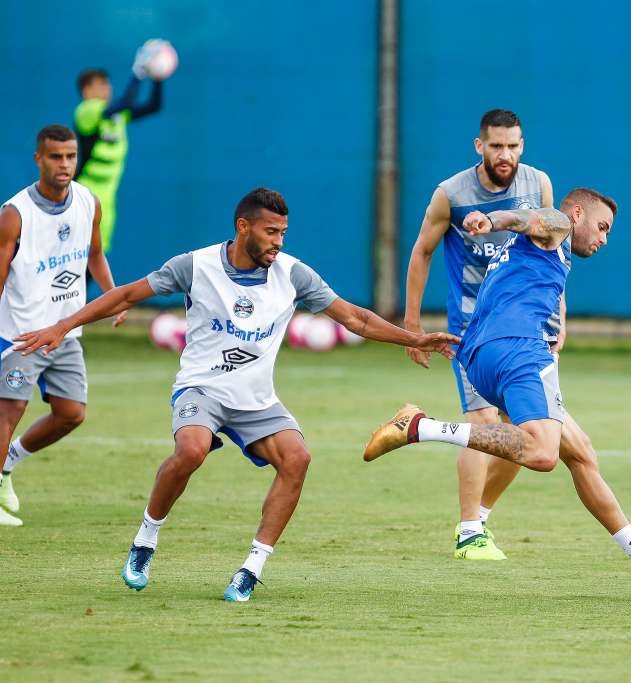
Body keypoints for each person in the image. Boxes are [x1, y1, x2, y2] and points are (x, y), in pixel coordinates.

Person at [15, 187, 458, 601]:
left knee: (298, 459)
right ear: (243, 227)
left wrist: (412, 339)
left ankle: (252, 567)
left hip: (257, 401)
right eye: (270, 232)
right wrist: (61, 326)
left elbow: (356, 319)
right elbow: (127, 294)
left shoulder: (293, 274)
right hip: (202, 388)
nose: (278, 242)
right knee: (191, 451)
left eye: (283, 233)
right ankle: (145, 539)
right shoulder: (196, 265)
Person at [366, 190, 631, 596]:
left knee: (581, 454)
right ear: (579, 213)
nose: (604, 238)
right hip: (517, 348)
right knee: (543, 453)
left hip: (481, 355)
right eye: (602, 227)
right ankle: (420, 427)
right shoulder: (560, 225)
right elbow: (533, 218)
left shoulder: (538, 253)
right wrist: (493, 221)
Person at [404, 109, 564, 560]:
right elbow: (422, 252)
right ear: (480, 146)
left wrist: (559, 318)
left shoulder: (539, 185)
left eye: (513, 145)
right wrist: (412, 328)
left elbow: (552, 251)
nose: (505, 154)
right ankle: (469, 531)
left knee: (524, 431)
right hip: (472, 330)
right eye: (496, 146)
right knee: (483, 423)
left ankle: (480, 520)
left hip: (526, 330)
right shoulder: (451, 194)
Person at [0, 125, 126, 528]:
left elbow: (94, 254)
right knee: (9, 410)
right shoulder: (14, 214)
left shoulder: (89, 201)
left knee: (71, 414)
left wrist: (113, 296)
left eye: (70, 156)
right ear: (39, 159)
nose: (65, 164)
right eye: (56, 157)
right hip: (21, 333)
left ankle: (7, 466)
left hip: (66, 331)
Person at [74, 42, 166, 254]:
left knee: (97, 254)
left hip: (107, 196)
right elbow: (126, 100)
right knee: (76, 253)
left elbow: (154, 106)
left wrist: (158, 78)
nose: (106, 88)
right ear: (86, 91)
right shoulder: (86, 112)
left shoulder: (117, 115)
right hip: (84, 193)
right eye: (100, 85)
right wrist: (138, 72)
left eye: (107, 84)